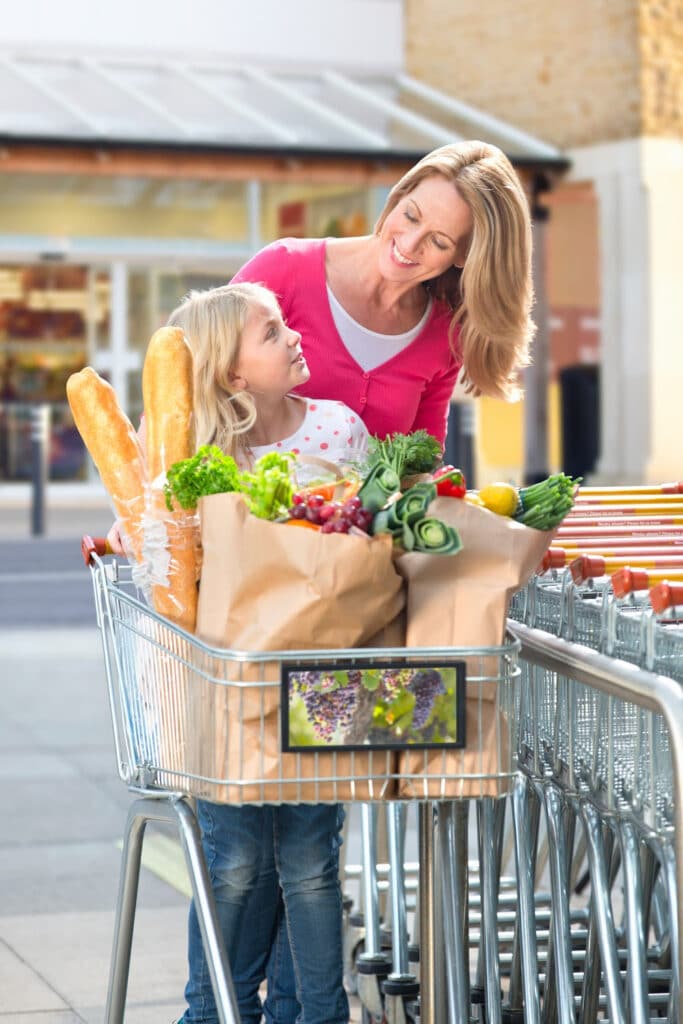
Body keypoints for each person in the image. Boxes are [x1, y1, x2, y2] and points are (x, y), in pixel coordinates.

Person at [110, 139, 535, 1023]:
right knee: (244, 843)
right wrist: (135, 520)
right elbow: (191, 405)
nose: (409, 243)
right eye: (409, 213)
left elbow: (412, 472)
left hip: (336, 632)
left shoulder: (441, 335)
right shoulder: (281, 275)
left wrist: (461, 529)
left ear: (466, 262)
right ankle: (226, 1006)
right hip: (236, 628)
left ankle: (301, 1010)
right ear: (399, 192)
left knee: (304, 843)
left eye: (441, 242)